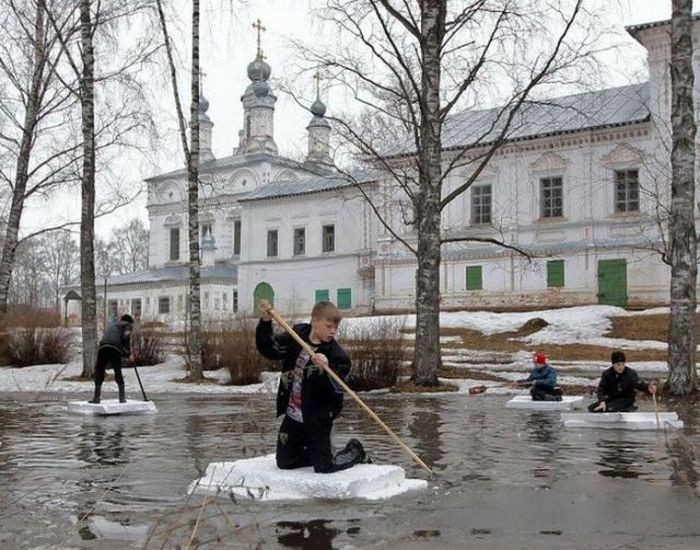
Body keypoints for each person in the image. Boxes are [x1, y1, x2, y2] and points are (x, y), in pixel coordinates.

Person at [255, 299, 367, 473]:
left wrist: (326, 366)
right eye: (328, 326)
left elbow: (338, 385)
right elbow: (271, 349)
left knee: (324, 468)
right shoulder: (297, 335)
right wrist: (265, 321)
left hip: (318, 417)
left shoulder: (336, 354)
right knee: (285, 462)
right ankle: (316, 452)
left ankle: (354, 451)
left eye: (335, 328)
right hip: (293, 414)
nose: (333, 332)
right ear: (314, 321)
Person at [588, 350, 657, 412]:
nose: (621, 367)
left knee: (608, 409)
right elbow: (601, 390)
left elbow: (639, 384)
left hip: (626, 399)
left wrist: (648, 388)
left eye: (622, 364)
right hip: (612, 398)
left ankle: (629, 409)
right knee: (592, 408)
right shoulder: (607, 374)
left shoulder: (630, 374)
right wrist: (602, 401)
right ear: (613, 364)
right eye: (618, 365)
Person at [89, 314, 134, 404]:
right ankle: (122, 398)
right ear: (129, 322)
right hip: (114, 349)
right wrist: (129, 354)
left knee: (100, 371)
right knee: (117, 371)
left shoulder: (113, 325)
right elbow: (125, 338)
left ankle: (96, 398)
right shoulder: (127, 325)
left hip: (103, 348)